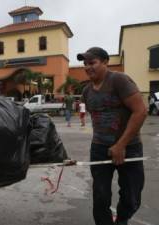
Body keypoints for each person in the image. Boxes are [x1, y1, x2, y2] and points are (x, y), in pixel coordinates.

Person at [78, 47, 147, 225]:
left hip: (129, 147)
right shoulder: (86, 91)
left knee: (132, 195)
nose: (87, 67)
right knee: (100, 197)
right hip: (99, 148)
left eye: (92, 63)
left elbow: (140, 111)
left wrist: (121, 145)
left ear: (105, 62)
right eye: (85, 64)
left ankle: (122, 220)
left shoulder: (119, 80)